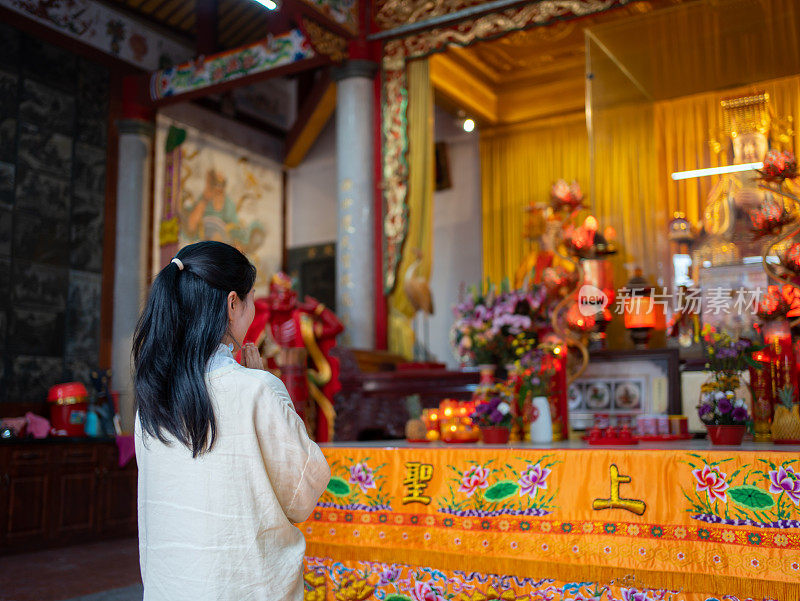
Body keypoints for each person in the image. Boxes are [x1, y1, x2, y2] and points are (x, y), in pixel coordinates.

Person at [132, 241, 330, 601]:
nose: (255, 311)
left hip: (171, 587)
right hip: (242, 587)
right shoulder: (256, 390)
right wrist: (267, 386)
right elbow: (302, 496)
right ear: (232, 303)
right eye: (253, 299)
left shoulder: (151, 396)